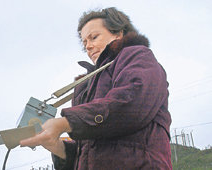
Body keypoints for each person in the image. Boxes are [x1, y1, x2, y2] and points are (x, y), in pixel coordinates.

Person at [20, 7, 172, 169]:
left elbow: (130, 103)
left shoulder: (137, 56)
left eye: (94, 37)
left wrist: (65, 123)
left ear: (118, 33)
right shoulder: (84, 87)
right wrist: (57, 147)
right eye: (84, 42)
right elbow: (86, 151)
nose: (88, 46)